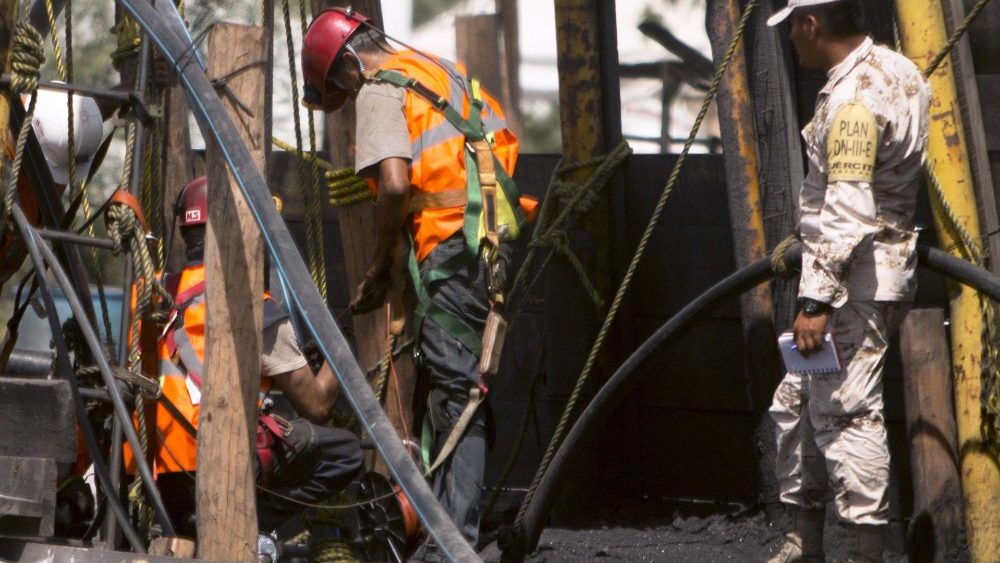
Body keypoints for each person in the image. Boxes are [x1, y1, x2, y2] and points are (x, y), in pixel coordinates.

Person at [301, 8, 536, 559]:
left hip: (453, 246)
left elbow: (393, 184)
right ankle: (448, 526)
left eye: (339, 85)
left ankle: (457, 543)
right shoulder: (439, 70)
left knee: (458, 395)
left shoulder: (380, 88)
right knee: (458, 388)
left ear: (348, 67)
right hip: (493, 238)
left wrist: (381, 266)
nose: (346, 93)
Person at [765, 1, 929, 562]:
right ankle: (801, 544)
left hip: (852, 284)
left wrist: (814, 298)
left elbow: (849, 205)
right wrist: (804, 244)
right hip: (864, 273)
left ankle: (864, 555)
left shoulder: (854, 98)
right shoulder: (898, 70)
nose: (790, 38)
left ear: (811, 24)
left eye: (792, 26)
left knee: (849, 417)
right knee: (795, 403)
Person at [135, 176, 364, 537]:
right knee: (347, 453)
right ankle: (246, 524)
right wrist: (342, 353)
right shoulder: (255, 307)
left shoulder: (151, 296)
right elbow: (317, 404)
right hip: (222, 467)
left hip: (158, 474)